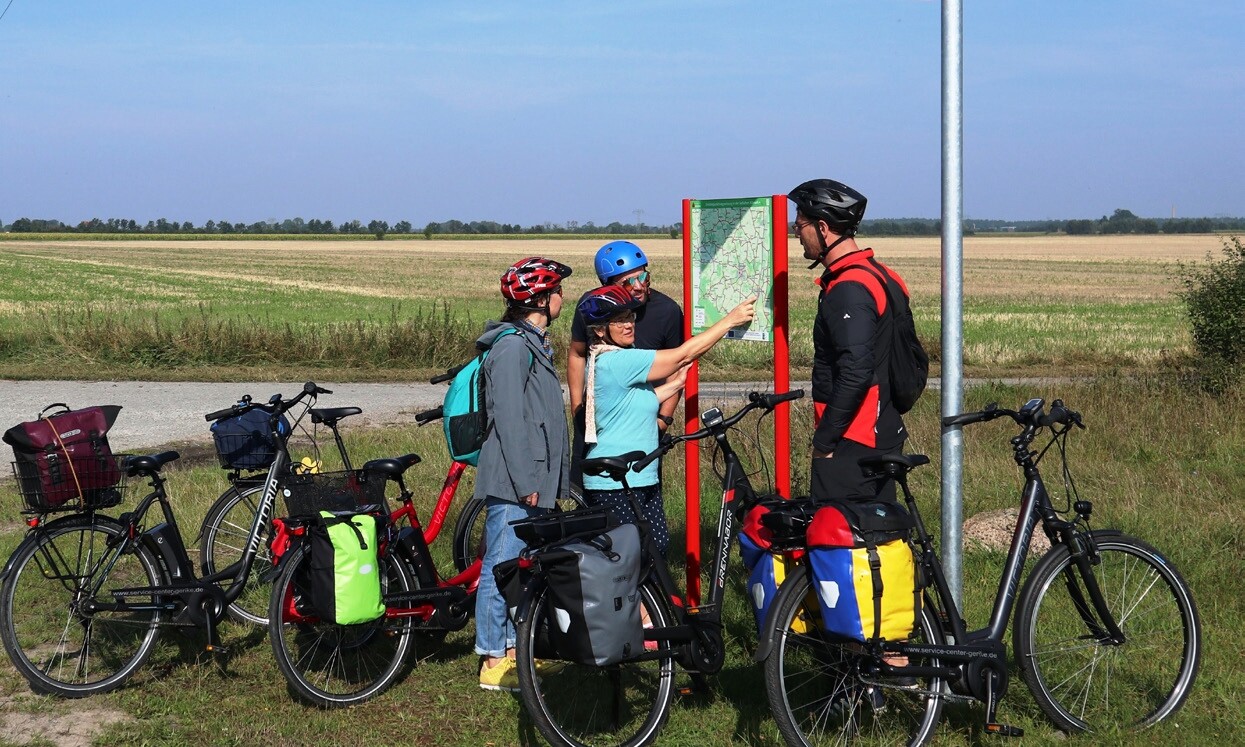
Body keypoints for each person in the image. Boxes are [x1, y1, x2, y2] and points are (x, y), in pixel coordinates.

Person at [577, 284, 756, 557]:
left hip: (635, 477)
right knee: (633, 561)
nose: (629, 325)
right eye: (619, 320)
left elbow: (635, 402)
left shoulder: (606, 359)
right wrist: (730, 320)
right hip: (618, 482)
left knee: (652, 554)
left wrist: (676, 383)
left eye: (630, 317)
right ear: (600, 330)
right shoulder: (619, 361)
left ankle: (645, 602)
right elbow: (680, 355)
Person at [473, 256, 573, 692]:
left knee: (519, 568)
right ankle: (493, 658)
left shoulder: (531, 342)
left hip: (529, 478)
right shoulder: (513, 347)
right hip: (517, 480)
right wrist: (527, 481)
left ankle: (516, 650)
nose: (562, 298)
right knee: (501, 566)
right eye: (557, 292)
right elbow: (510, 420)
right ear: (542, 299)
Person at [789, 178, 912, 505]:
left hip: (854, 439)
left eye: (800, 224)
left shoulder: (848, 289)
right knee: (875, 541)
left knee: (841, 545)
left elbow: (856, 371)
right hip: (881, 426)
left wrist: (825, 442)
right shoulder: (881, 275)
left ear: (823, 227)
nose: (796, 232)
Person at [568, 241, 684, 490]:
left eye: (644, 275)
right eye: (628, 282)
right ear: (607, 285)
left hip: (641, 425)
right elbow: (577, 354)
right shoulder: (591, 306)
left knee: (641, 496)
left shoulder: (668, 311)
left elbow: (677, 367)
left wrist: (663, 419)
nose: (639, 286)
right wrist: (577, 407)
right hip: (594, 424)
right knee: (587, 497)